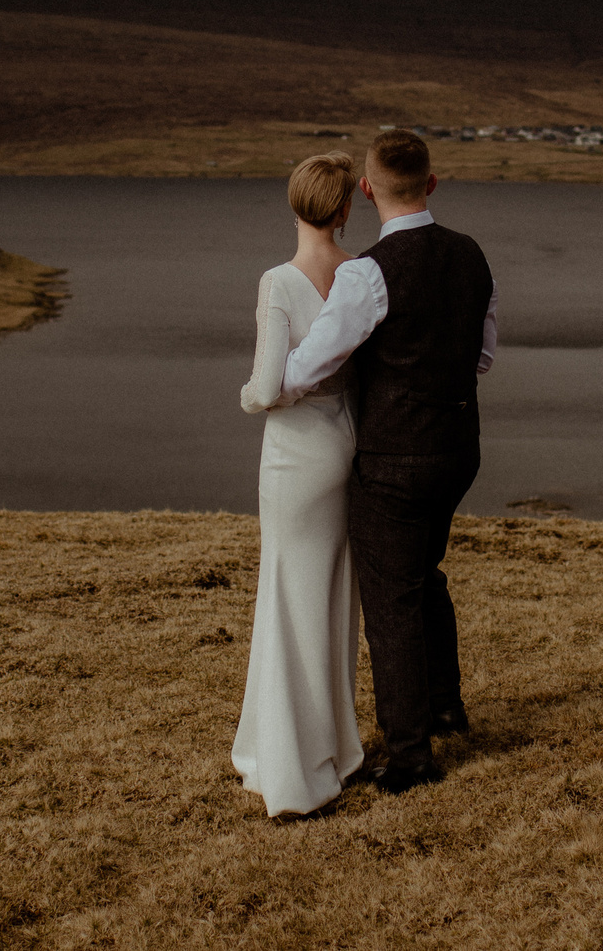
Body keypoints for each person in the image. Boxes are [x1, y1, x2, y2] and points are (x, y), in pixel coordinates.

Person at [280, 129, 496, 794]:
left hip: (394, 461)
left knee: (392, 600)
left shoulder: (365, 273)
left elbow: (308, 365)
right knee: (426, 573)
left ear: (368, 189)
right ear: (432, 183)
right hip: (459, 451)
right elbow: (483, 354)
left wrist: (275, 372)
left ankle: (410, 756)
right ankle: (443, 704)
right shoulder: (471, 256)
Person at [231, 153, 366, 816]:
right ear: (344, 210)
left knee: (285, 591)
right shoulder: (360, 273)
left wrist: (250, 401)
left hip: (292, 454)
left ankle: (287, 760)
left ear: (294, 204)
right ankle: (335, 749)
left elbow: (265, 385)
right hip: (344, 443)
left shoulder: (278, 281)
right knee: (332, 595)